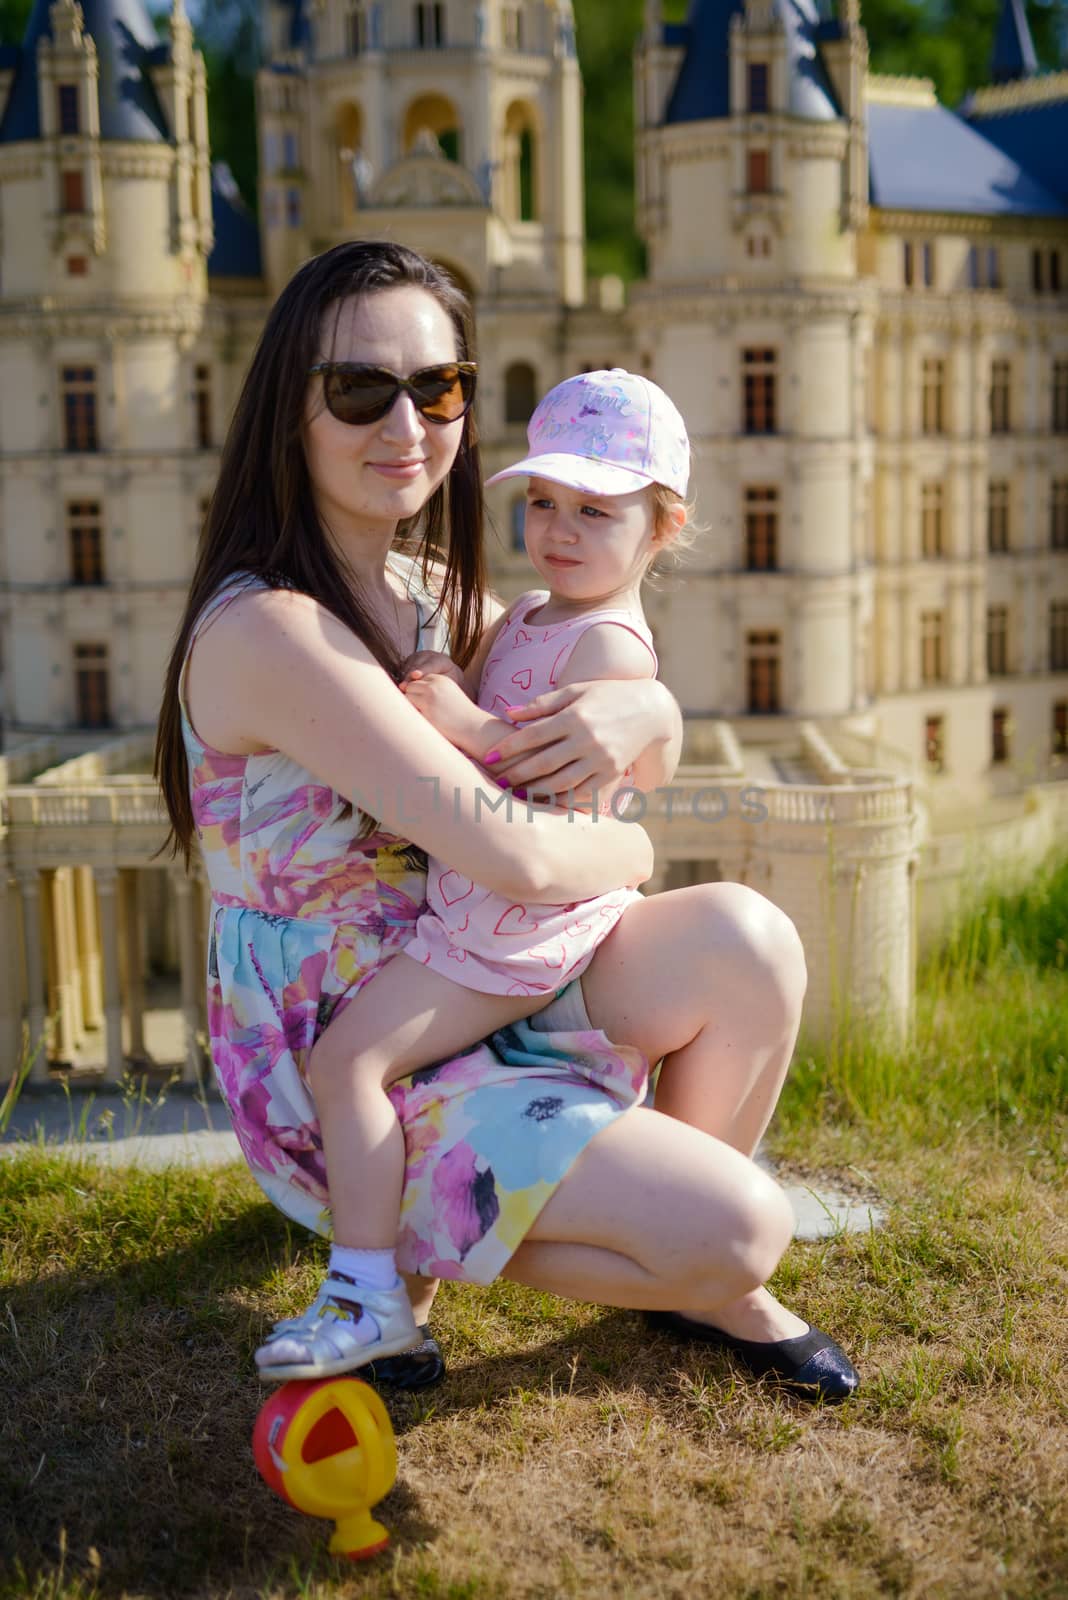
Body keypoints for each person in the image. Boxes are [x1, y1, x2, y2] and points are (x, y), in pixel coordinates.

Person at [155, 239, 859, 1404]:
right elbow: (522, 853)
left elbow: (618, 706)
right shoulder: (275, 630)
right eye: (358, 390)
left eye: (438, 389)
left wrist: (648, 699)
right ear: (291, 410)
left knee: (752, 940)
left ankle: (660, 1248)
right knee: (744, 1224)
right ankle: (438, 1268)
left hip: (469, 968)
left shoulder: (426, 591)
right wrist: (633, 844)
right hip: (353, 1043)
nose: (409, 424)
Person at [251, 368, 693, 1381]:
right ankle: (395, 1292)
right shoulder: (535, 610)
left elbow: (565, 801)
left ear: (662, 527)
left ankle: (364, 1295)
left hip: (513, 926)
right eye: (543, 502)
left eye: (596, 510)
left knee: (348, 1065)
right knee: (377, 1067)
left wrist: (467, 725)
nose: (560, 528)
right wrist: (455, 684)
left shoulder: (614, 650)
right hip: (486, 911)